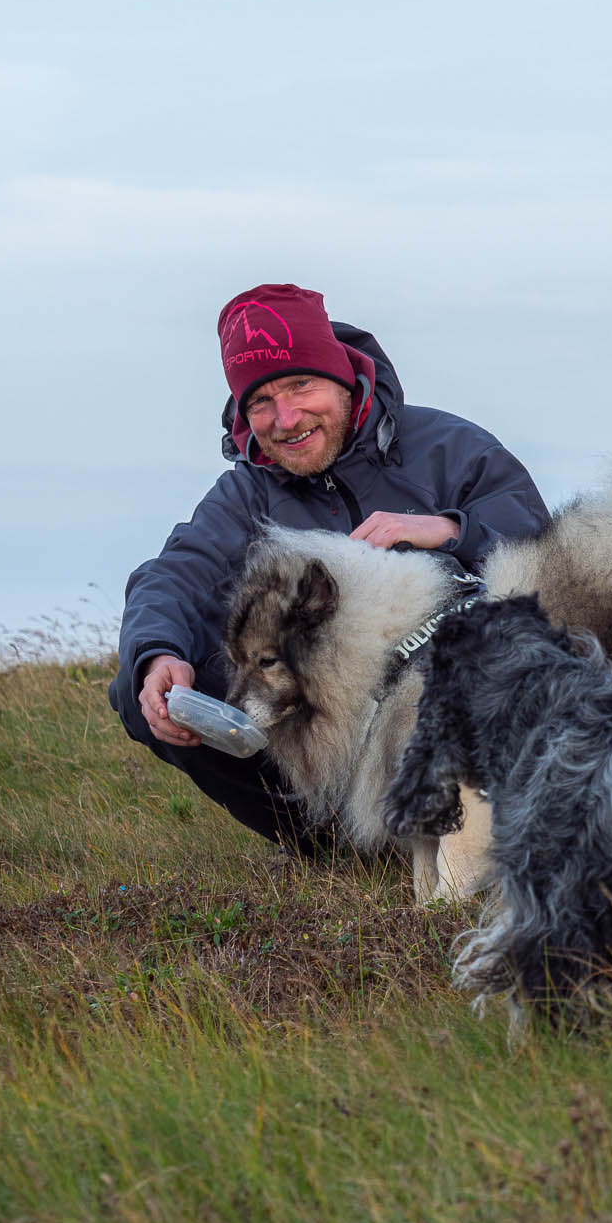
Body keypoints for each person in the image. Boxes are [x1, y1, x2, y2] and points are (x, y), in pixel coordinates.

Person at [108, 284, 550, 850]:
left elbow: (545, 550)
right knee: (145, 688)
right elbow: (175, 575)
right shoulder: (247, 496)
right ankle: (333, 843)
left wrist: (450, 530)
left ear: (341, 374)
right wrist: (156, 656)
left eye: (300, 384)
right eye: (259, 401)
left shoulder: (449, 448)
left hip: (467, 710)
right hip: (330, 750)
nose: (286, 418)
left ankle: (489, 831)